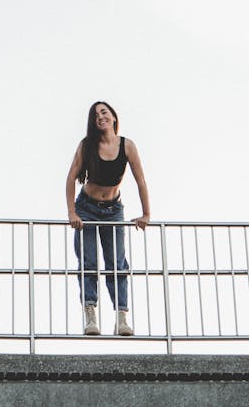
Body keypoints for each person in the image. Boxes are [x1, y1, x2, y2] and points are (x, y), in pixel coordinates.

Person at [65, 101, 151, 336]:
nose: (100, 117)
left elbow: (141, 180)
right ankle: (90, 314)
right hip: (86, 208)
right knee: (89, 262)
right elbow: (71, 176)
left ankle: (121, 316)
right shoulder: (87, 146)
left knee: (117, 264)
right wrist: (72, 213)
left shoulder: (127, 146)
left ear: (113, 116)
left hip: (114, 209)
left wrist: (146, 214)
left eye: (104, 112)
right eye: (95, 115)